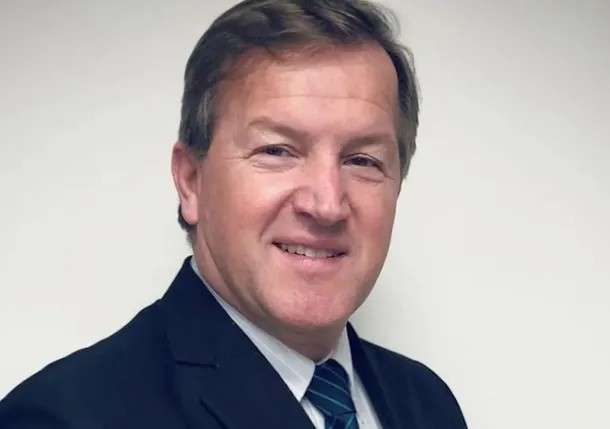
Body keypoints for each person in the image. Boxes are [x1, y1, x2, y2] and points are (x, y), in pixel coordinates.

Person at [0, 0, 468, 428]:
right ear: (191, 181)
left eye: (362, 160)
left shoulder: (427, 404)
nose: (326, 204)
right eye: (277, 150)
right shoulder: (63, 417)